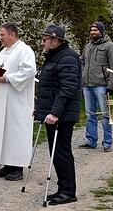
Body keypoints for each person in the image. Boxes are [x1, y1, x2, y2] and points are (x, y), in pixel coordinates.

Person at [35, 25, 81, 206]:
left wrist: (55, 112)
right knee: (56, 153)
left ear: (56, 40)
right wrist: (40, 108)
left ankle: (68, 191)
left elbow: (67, 88)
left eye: (45, 39)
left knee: (62, 152)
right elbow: (48, 87)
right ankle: (63, 189)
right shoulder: (54, 56)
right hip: (53, 112)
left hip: (62, 114)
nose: (42, 43)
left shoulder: (68, 57)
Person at [0, 23, 36, 181]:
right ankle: (7, 164)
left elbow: (29, 72)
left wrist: (8, 78)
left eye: (2, 35)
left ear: (12, 34)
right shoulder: (4, 52)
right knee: (4, 131)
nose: (0, 38)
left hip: (17, 101)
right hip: (3, 99)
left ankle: (17, 168)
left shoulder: (25, 50)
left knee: (16, 131)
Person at [79, 22, 113, 152]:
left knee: (106, 114)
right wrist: (82, 78)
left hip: (102, 86)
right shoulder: (88, 46)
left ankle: (107, 142)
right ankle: (91, 141)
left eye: (95, 30)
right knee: (90, 114)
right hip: (88, 85)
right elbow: (82, 62)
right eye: (91, 30)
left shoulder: (110, 46)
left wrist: (111, 85)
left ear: (101, 31)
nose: (93, 32)